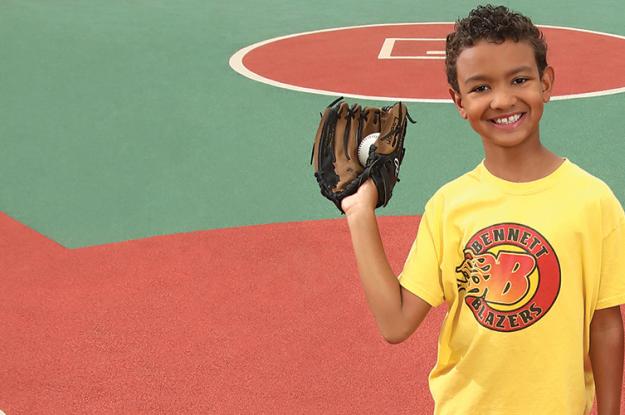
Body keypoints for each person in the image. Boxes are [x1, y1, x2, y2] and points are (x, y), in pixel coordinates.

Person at [341, 4, 625, 415]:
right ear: (458, 100)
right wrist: (359, 213)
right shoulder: (450, 205)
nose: (503, 99)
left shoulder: (593, 201)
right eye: (480, 88)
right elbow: (396, 322)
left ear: (546, 82)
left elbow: (606, 323)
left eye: (520, 79)